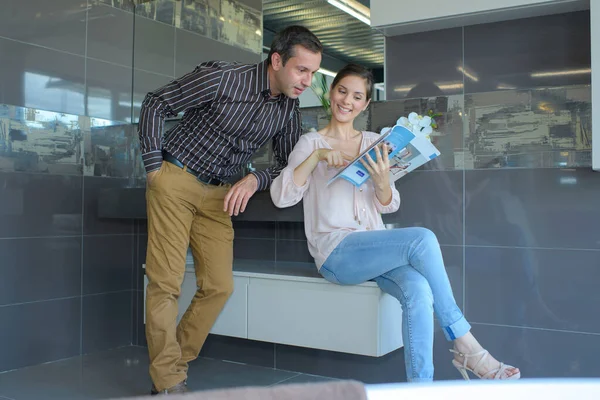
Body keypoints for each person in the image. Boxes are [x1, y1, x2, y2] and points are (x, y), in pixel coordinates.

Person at [269, 63, 520, 382]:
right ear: (331, 94)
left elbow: (389, 205)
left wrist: (383, 181)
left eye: (357, 96)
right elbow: (282, 197)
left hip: (374, 250)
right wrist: (317, 158)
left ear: (365, 104)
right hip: (336, 255)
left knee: (418, 289)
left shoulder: (376, 142)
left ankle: (420, 388)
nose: (347, 101)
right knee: (422, 239)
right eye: (342, 91)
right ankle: (465, 343)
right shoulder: (310, 144)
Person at [138, 26, 322, 395]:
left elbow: (287, 163)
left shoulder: (288, 108)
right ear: (276, 60)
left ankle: (175, 362)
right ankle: (169, 380)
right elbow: (156, 103)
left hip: (220, 195)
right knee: (166, 282)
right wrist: (154, 168)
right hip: (177, 177)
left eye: (313, 73)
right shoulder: (223, 77)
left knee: (220, 286)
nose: (307, 81)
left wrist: (255, 179)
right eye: (302, 70)